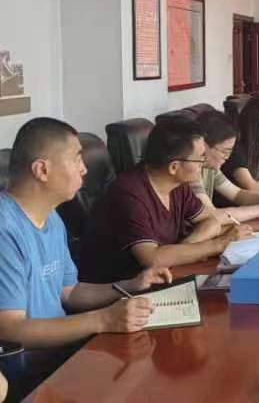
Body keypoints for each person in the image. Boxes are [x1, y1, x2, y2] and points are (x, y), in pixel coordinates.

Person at [0, 118, 172, 400]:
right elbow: (10, 328)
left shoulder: (52, 217)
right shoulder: (5, 229)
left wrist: (129, 285)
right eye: (76, 158)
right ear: (42, 170)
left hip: (63, 353)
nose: (84, 168)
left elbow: (70, 292)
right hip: (29, 374)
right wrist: (103, 320)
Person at [80, 120, 251, 283]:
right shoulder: (129, 193)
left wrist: (187, 247)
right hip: (123, 288)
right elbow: (152, 259)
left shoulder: (177, 185)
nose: (204, 162)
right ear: (174, 167)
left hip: (168, 274)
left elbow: (210, 221)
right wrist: (220, 244)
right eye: (200, 158)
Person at [193, 111, 259, 223]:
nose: (227, 157)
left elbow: (237, 194)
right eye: (224, 151)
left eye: (229, 152)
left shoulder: (210, 168)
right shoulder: (192, 172)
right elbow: (211, 215)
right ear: (204, 145)